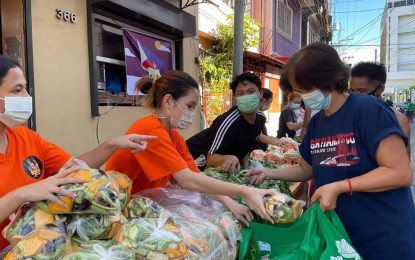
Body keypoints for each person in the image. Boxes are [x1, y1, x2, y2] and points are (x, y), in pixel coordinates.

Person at [245, 42, 415, 259]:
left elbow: (399, 172)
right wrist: (268, 173)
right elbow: (306, 168)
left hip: (381, 236)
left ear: (327, 80)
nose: (301, 96)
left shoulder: (368, 110)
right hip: (340, 236)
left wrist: (341, 187)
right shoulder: (318, 123)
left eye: (304, 89)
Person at [0, 55, 156, 250]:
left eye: (25, 88)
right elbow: (28, 192)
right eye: (17, 90)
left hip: (40, 248)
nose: (27, 97)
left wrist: (112, 144)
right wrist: (22, 194)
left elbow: (74, 167)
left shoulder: (25, 137)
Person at [105, 71, 274, 226]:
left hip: (142, 206)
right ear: (168, 101)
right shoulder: (151, 130)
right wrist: (245, 191)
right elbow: (187, 179)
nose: (193, 112)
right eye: (190, 106)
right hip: (121, 211)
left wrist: (229, 202)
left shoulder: (173, 134)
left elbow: (195, 176)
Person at [186, 72, 283, 172]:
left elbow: (247, 142)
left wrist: (246, 168)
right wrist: (229, 158)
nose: (246, 97)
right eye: (241, 93)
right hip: (192, 161)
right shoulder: (228, 122)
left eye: (251, 91)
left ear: (261, 93)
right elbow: (210, 159)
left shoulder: (260, 118)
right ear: (235, 98)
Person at [350, 61, 411, 138]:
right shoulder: (347, 115)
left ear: (380, 89)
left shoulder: (398, 120)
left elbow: (403, 149)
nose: (355, 96)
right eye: (352, 91)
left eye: (361, 91)